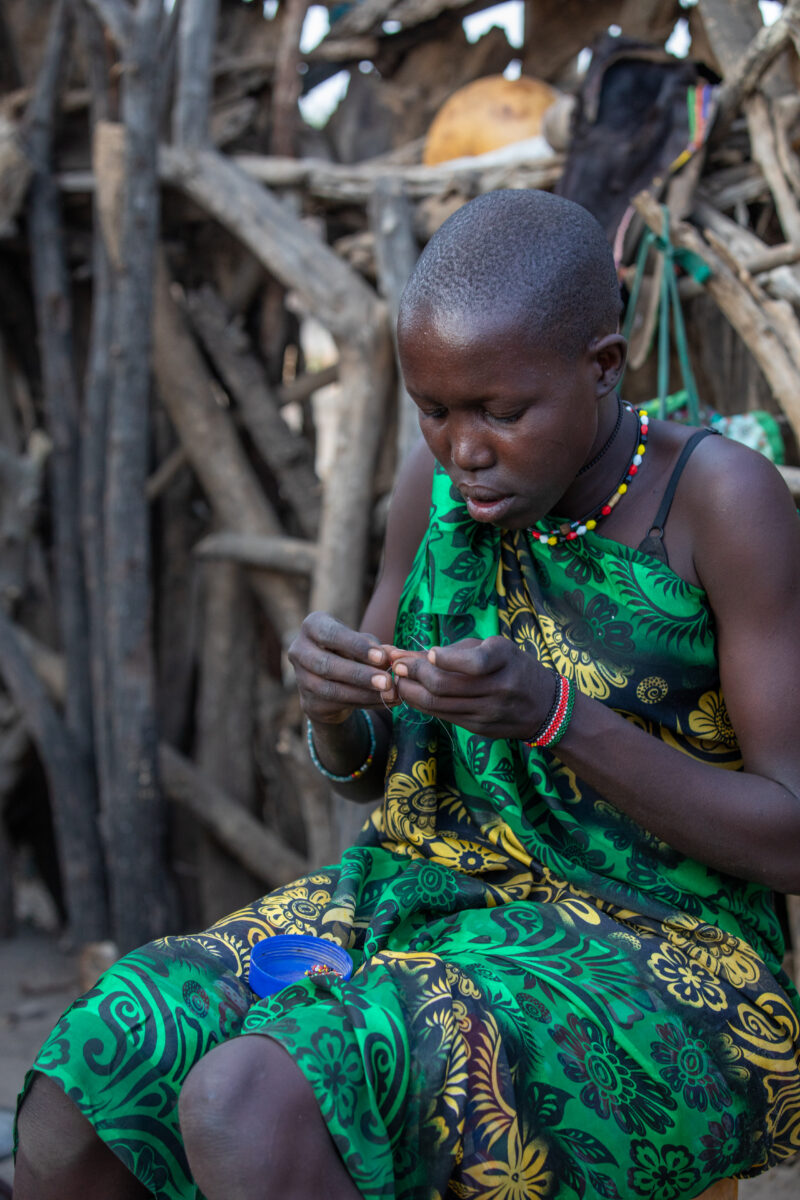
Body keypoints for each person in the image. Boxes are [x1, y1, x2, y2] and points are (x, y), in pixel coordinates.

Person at [13, 188, 800, 1200]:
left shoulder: (717, 503)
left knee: (247, 1104)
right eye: (433, 411)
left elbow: (789, 836)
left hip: (670, 954)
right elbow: (366, 775)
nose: (462, 449)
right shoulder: (428, 491)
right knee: (99, 1067)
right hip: (425, 892)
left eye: (499, 413)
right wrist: (335, 710)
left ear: (601, 367)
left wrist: (560, 720)